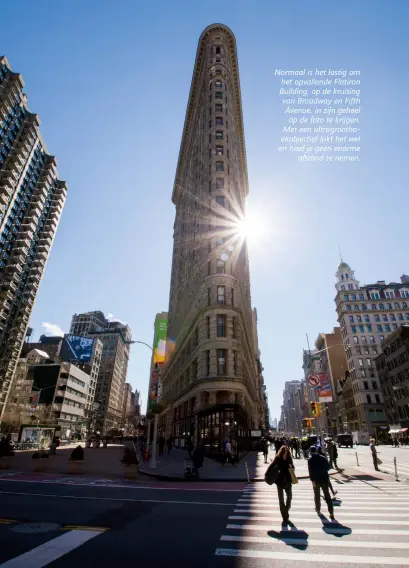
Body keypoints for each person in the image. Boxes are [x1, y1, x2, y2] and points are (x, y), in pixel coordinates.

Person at [308, 446, 335, 520]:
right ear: (316, 451)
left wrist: (312, 480)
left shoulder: (310, 460)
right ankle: (331, 512)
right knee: (327, 496)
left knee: (317, 495)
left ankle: (318, 510)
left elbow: (310, 472)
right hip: (324, 479)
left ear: (310, 452)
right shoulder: (323, 458)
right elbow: (328, 468)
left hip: (316, 481)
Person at [270, 445, 295, 525]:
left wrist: (292, 467)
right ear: (281, 452)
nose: (285, 454)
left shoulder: (289, 458)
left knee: (290, 497)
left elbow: (293, 468)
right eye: (284, 452)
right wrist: (268, 476)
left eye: (286, 452)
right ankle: (284, 517)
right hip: (279, 481)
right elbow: (271, 467)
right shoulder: (277, 458)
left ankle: (286, 511)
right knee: (281, 500)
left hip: (288, 480)